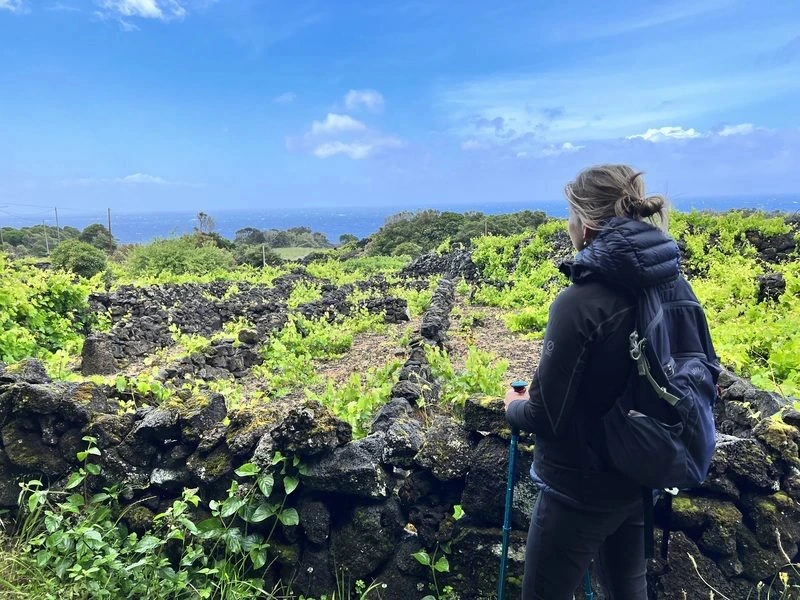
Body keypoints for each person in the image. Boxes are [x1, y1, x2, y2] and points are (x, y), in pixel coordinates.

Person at [504, 164, 689, 600]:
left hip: (577, 489)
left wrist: (511, 406)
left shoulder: (579, 301)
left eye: (569, 214)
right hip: (639, 473)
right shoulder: (671, 282)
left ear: (585, 226)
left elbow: (547, 413)